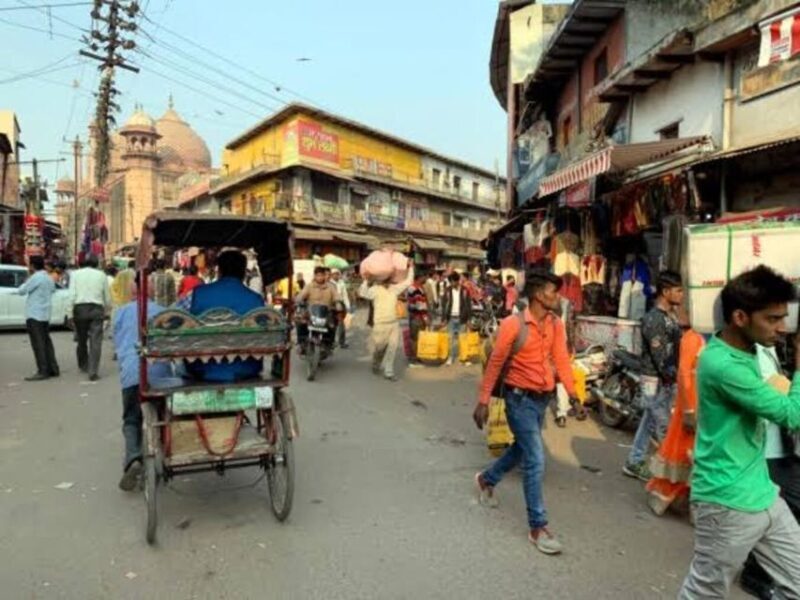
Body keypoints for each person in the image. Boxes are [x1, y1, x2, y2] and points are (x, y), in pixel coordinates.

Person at [679, 266, 800, 599]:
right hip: (726, 502)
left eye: (784, 318)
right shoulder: (722, 365)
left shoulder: (751, 350)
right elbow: (793, 415)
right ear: (740, 317)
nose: (782, 327)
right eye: (773, 319)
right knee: (705, 592)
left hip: (762, 492)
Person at [472, 270, 578, 555]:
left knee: (521, 449)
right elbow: (495, 364)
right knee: (535, 458)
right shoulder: (512, 325)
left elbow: (562, 361)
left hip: (542, 400)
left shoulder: (555, 324)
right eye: (552, 291)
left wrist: (573, 394)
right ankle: (538, 527)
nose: (557, 296)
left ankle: (487, 479)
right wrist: (483, 401)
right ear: (536, 295)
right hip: (518, 401)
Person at [740, 343, 800, 599]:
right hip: (769, 450)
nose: (780, 324)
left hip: (781, 447)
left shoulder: (768, 348)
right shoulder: (750, 352)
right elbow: (786, 405)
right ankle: (755, 574)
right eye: (774, 317)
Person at [622, 270, 683, 481]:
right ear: (666, 292)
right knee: (662, 424)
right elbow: (660, 356)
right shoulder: (654, 319)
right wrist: (674, 378)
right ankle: (666, 471)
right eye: (678, 290)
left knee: (650, 421)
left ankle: (635, 461)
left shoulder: (670, 317)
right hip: (654, 378)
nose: (682, 295)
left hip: (665, 379)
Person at [113, 274, 171, 491]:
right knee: (165, 415)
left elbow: (118, 345)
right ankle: (165, 454)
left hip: (131, 376)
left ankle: (134, 458)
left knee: (131, 420)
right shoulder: (164, 313)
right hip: (161, 377)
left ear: (133, 290)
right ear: (152, 290)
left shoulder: (121, 313)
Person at [645, 311, 705, 516]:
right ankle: (665, 497)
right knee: (682, 452)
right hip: (690, 405)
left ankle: (687, 501)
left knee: (694, 455)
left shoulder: (708, 338)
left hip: (702, 405)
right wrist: (689, 410)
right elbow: (684, 372)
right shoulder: (692, 338)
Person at [187, 250, 265, 382]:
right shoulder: (256, 299)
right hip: (246, 368)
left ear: (219, 271)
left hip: (202, 367)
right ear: (243, 272)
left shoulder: (200, 293)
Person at [359, 263, 414, 382]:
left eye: (388, 279)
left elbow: (408, 281)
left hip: (393, 323)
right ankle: (376, 363)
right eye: (384, 279)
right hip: (380, 324)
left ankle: (389, 371)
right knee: (380, 348)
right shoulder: (375, 290)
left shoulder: (395, 289)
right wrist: (366, 280)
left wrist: (411, 268)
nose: (387, 281)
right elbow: (362, 293)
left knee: (392, 348)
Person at [15, 255, 59, 381]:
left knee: (38, 344)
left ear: (33, 266)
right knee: (46, 342)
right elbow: (53, 290)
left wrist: (28, 279)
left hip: (34, 314)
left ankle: (43, 370)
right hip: (45, 313)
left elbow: (21, 290)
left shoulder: (35, 277)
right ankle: (53, 368)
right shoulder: (48, 278)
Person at [68, 254, 111, 381]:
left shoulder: (75, 274)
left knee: (81, 339)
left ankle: (83, 364)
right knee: (95, 341)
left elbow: (72, 294)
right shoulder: (102, 275)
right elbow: (107, 296)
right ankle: (93, 371)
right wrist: (108, 312)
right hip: (97, 309)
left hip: (80, 309)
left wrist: (69, 313)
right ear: (96, 263)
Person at [295, 266, 340, 350]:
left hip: (326, 313)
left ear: (324, 276)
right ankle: (301, 343)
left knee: (333, 323)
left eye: (321, 275)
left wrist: (338, 304)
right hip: (311, 312)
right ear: (315, 276)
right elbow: (301, 295)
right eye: (318, 275)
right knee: (300, 321)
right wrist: (298, 300)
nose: (320, 277)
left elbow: (336, 297)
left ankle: (330, 342)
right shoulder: (309, 286)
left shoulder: (331, 287)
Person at [441, 272, 471, 366]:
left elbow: (469, 305)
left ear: (458, 281)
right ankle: (450, 357)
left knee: (463, 339)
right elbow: (444, 305)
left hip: (462, 318)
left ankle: (464, 358)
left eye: (454, 282)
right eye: (451, 282)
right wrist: (444, 319)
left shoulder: (465, 291)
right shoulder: (447, 290)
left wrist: (469, 319)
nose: (452, 284)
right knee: (450, 339)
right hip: (450, 318)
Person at [407, 271, 430, 364]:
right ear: (420, 277)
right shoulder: (415, 288)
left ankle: (417, 356)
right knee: (415, 338)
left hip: (417, 316)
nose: (426, 279)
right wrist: (425, 318)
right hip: (417, 317)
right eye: (424, 277)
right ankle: (413, 358)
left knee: (418, 338)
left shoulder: (419, 288)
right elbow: (419, 305)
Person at [330, 268, 351, 349]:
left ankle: (342, 342)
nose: (336, 275)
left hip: (340, 305)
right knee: (332, 325)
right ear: (331, 275)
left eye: (337, 274)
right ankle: (331, 342)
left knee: (341, 324)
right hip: (332, 305)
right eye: (334, 274)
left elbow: (345, 295)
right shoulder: (329, 283)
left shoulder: (341, 283)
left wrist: (348, 306)